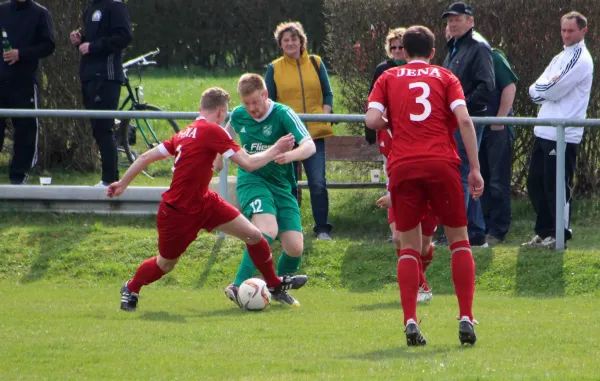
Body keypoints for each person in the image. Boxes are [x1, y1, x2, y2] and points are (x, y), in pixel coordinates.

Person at [107, 87, 308, 311]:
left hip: (205, 202)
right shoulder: (214, 131)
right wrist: (276, 149)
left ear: (201, 108)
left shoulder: (185, 132)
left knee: (254, 236)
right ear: (222, 112)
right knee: (165, 264)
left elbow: (145, 156)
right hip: (178, 212)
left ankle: (274, 284)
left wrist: (123, 182)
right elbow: (249, 164)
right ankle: (131, 287)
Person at [366, 25, 483, 346]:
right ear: (433, 52)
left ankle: (410, 320)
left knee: (408, 246)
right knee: (460, 241)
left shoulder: (387, 78)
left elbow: (371, 121)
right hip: (442, 163)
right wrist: (475, 168)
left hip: (403, 164)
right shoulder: (446, 77)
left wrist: (395, 123)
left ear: (403, 49)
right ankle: (465, 316)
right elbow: (464, 120)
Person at [224, 74, 316, 307]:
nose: (252, 108)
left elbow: (310, 145)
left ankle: (275, 288)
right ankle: (237, 284)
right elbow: (222, 139)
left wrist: (291, 155)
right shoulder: (238, 115)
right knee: (267, 229)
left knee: (295, 248)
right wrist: (216, 159)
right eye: (247, 103)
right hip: (252, 179)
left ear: (265, 95)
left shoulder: (283, 114)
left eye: (256, 102)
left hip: (282, 185)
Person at [525, 11, 593, 249]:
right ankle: (544, 233)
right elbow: (538, 86)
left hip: (563, 134)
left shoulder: (580, 59)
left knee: (556, 185)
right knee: (535, 183)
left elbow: (554, 89)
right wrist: (540, 90)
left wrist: (541, 90)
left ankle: (560, 235)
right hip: (543, 130)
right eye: (563, 30)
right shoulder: (559, 57)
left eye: (571, 31)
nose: (566, 35)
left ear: (583, 31)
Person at [264, 21, 334, 240]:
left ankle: (322, 228)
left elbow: (328, 93)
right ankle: (290, 228)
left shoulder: (316, 62)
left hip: (314, 134)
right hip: (287, 135)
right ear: (280, 44)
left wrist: (324, 114)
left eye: (294, 39)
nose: (290, 43)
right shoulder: (274, 68)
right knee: (288, 185)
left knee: (318, 182)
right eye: (286, 40)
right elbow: (269, 101)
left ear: (301, 41)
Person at [437, 2, 494, 248]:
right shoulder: (454, 47)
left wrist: (458, 107)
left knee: (460, 175)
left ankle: (453, 231)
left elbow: (486, 88)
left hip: (467, 121)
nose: (452, 23)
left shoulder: (478, 47)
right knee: (466, 174)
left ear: (470, 21)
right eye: (450, 19)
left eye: (458, 19)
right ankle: (477, 232)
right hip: (456, 120)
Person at [70, 0, 132, 186]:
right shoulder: (90, 8)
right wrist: (80, 41)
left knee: (104, 128)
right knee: (98, 129)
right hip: (88, 76)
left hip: (106, 77)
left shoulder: (115, 6)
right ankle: (111, 177)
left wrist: (93, 46)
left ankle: (109, 180)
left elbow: (124, 37)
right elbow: (91, 41)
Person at [374, 127, 435, 303]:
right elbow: (389, 167)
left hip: (426, 191)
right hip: (397, 191)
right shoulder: (381, 132)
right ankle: (422, 288)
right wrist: (392, 194)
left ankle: (413, 278)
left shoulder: (411, 128)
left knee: (423, 248)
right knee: (399, 238)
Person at [0, 0, 55, 184]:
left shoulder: (40, 13)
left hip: (24, 80)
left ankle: (19, 175)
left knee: (25, 129)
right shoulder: (3, 10)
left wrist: (21, 53)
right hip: (1, 78)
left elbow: (48, 45)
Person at [480, 47, 518, 245]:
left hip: (497, 129)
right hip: (476, 129)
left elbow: (509, 86)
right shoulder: (456, 57)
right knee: (480, 181)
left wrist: (500, 119)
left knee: (497, 181)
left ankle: (498, 231)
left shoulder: (492, 55)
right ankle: (482, 227)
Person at [365, 27, 407, 145]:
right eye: (393, 47)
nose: (397, 51)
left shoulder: (414, 68)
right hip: (387, 124)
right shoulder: (383, 69)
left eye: (401, 47)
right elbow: (371, 98)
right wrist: (369, 127)